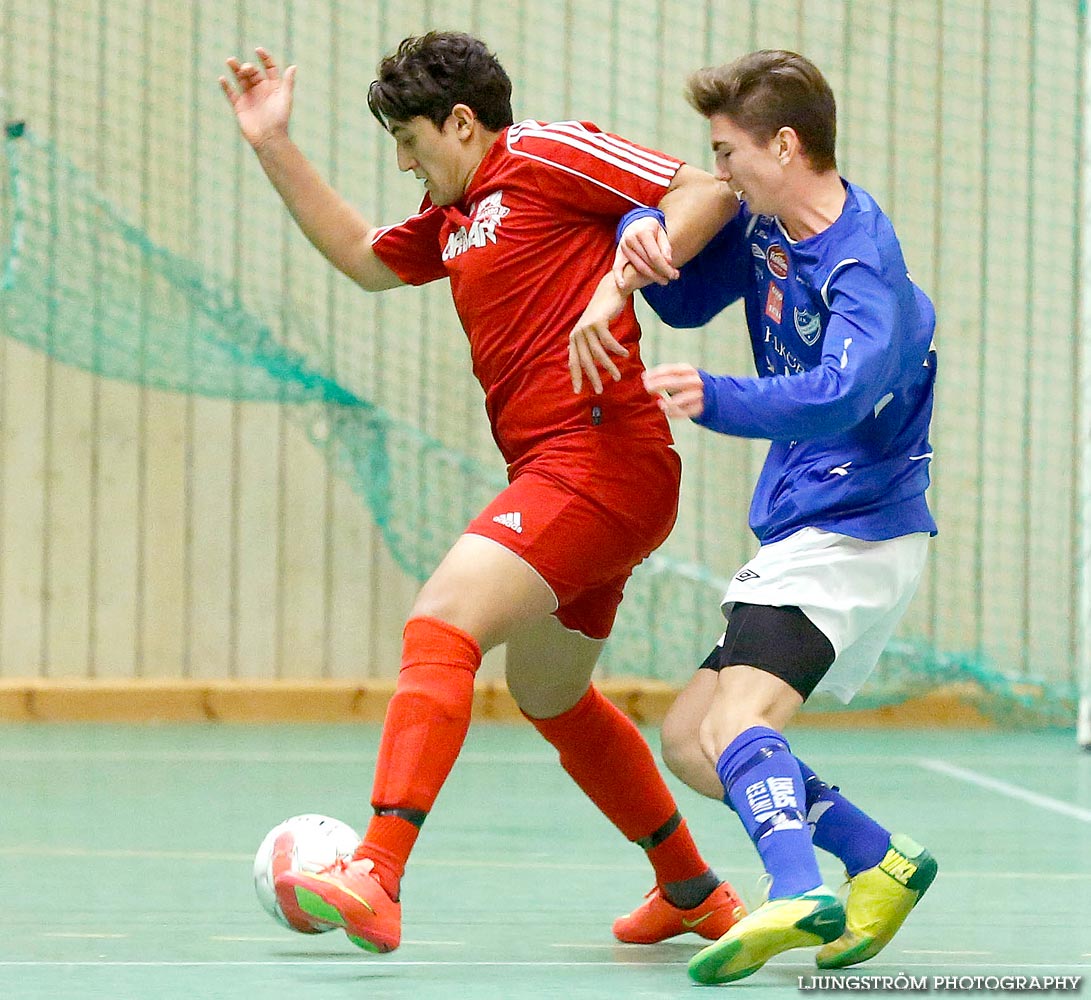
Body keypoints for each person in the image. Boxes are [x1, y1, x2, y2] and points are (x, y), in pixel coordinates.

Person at [220, 31, 747, 955]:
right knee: (550, 695)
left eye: (411, 141)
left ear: (461, 122)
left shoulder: (544, 152)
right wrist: (271, 144)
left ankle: (376, 872)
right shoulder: (454, 217)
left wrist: (620, 281)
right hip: (559, 473)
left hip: (602, 458)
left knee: (441, 626)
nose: (403, 164)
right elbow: (362, 255)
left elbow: (704, 189)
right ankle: (692, 890)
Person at [570, 49, 939, 985]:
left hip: (851, 530)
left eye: (726, 152)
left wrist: (717, 399)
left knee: (737, 722)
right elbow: (691, 299)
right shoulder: (768, 223)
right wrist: (640, 237)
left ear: (783, 144)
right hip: (809, 527)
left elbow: (841, 395)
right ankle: (879, 860)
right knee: (694, 739)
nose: (718, 171)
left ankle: (794, 888)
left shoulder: (865, 270)